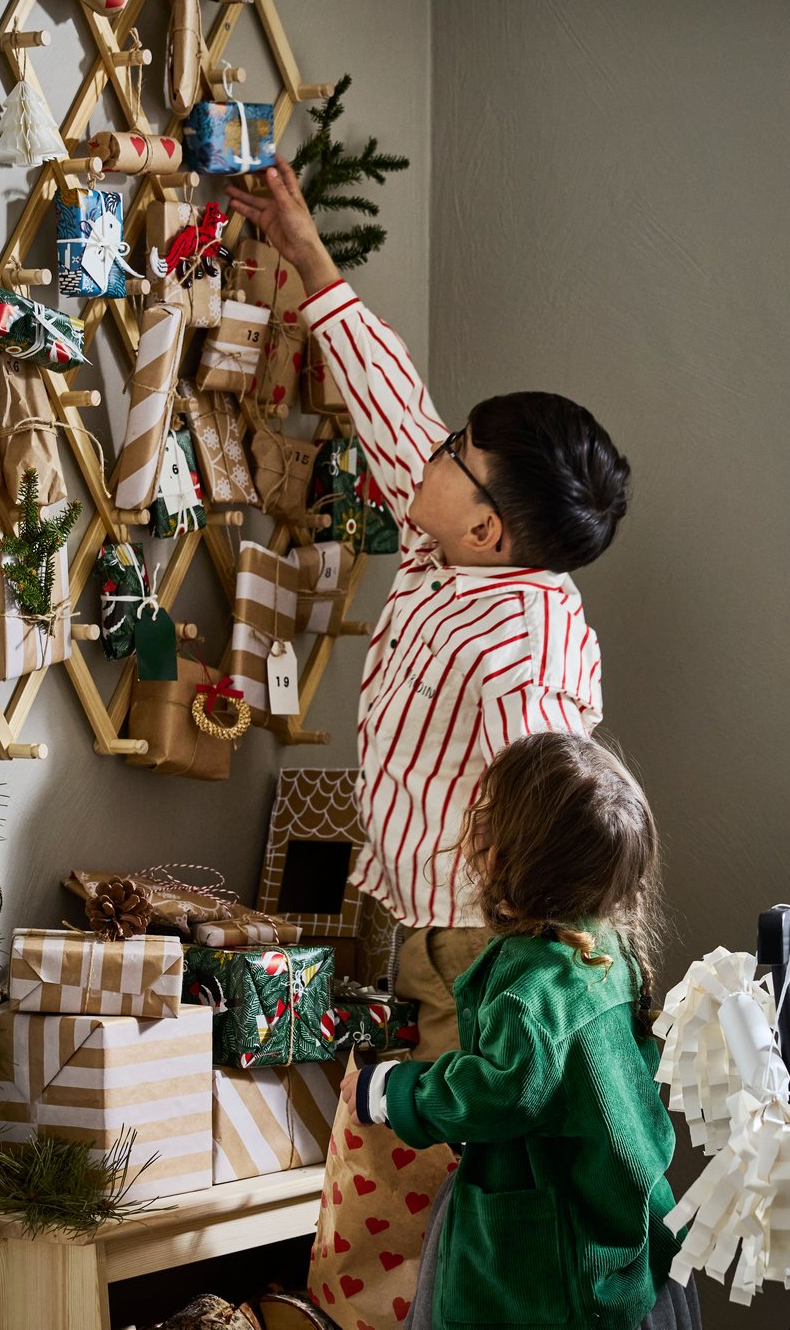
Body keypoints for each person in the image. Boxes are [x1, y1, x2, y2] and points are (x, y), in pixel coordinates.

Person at [226, 168, 632, 1059]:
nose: (434, 453)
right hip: (430, 932)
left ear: (489, 525)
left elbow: (562, 794)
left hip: (492, 950)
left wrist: (528, 941)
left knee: (460, 1147)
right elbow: (393, 409)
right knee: (418, 1143)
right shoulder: (446, 545)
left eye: (456, 453)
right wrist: (306, 253)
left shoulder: (527, 643)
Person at [339, 733, 699, 1330]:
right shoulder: (608, 951)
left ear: (504, 853)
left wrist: (394, 1090)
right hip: (625, 1210)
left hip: (549, 1252)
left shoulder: (531, 987)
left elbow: (502, 1092)